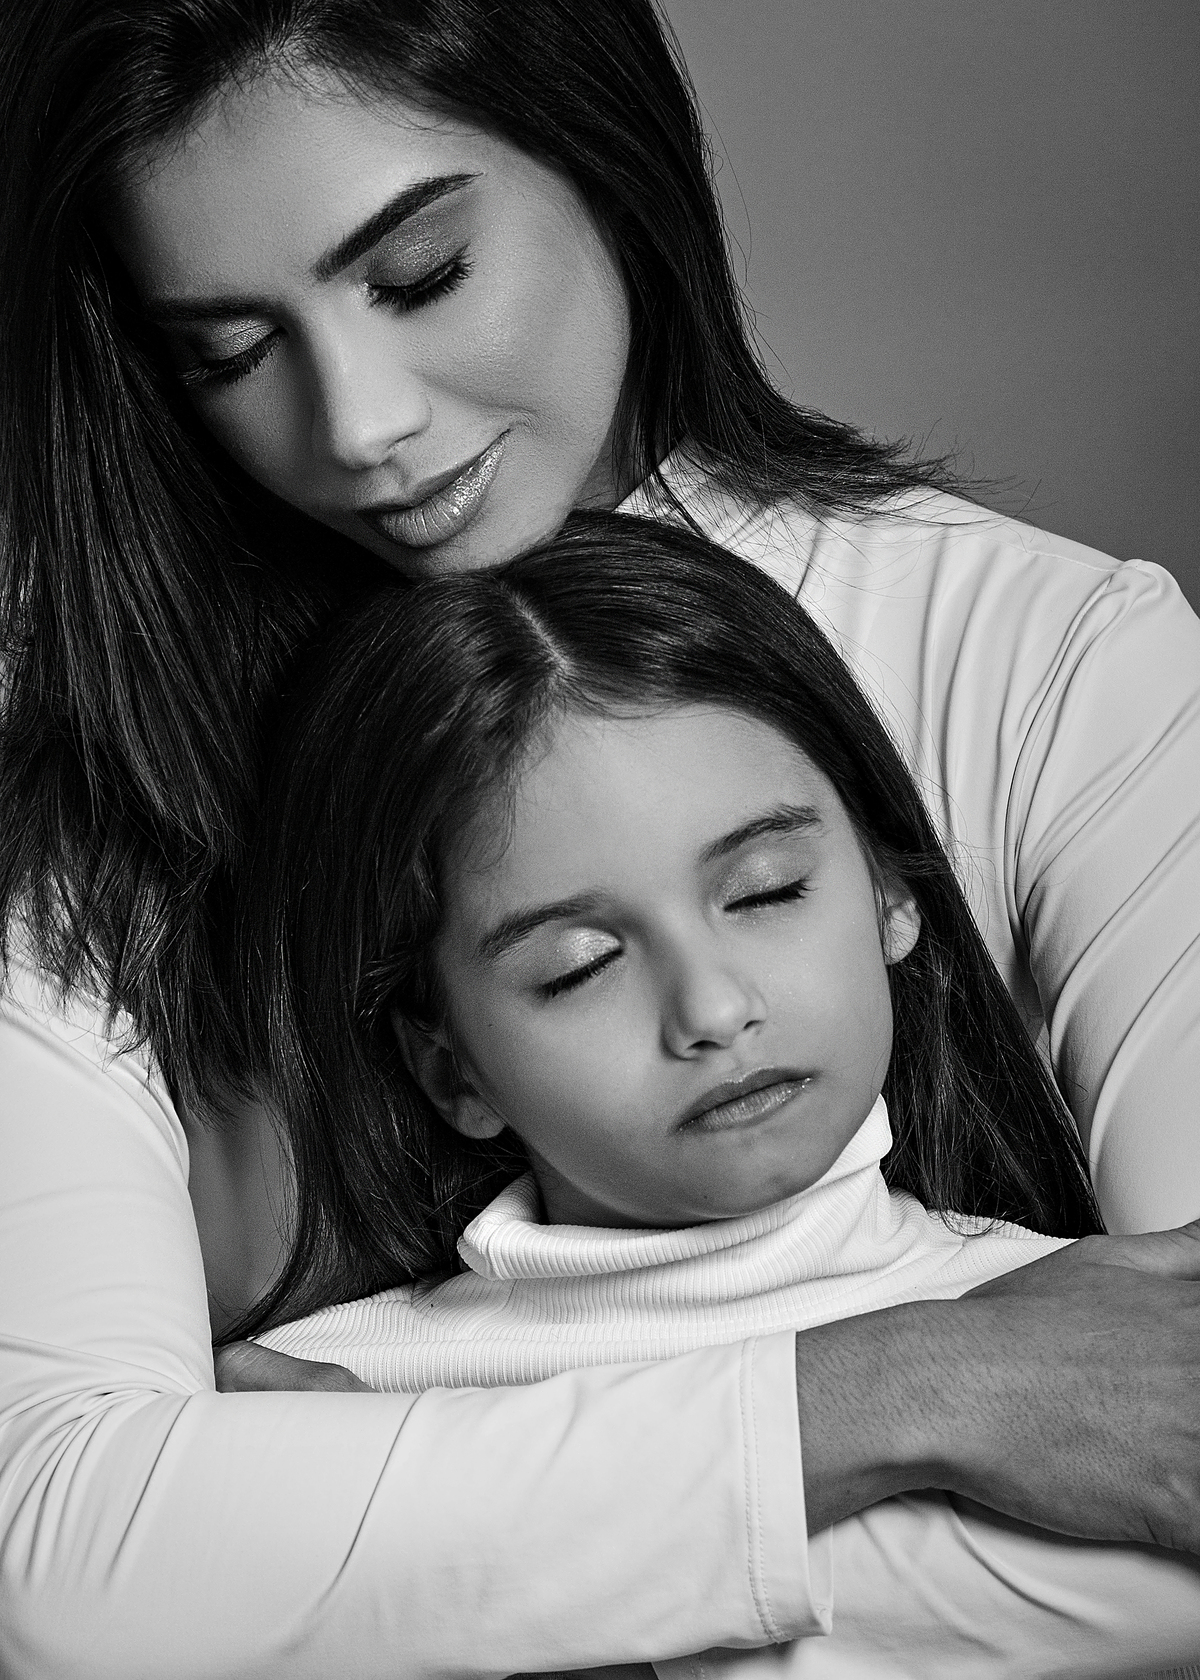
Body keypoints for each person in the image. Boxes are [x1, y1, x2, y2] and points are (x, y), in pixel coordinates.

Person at [1, 1, 1199, 1676]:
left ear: (604, 153)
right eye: (231, 352)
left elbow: (1176, 1431)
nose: (358, 423)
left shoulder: (1052, 662)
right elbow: (62, 1575)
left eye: (420, 274)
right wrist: (910, 1393)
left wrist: (367, 1549)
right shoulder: (94, 831)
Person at [242, 515, 1200, 1678]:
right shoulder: (283, 1427)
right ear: (454, 1068)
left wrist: (420, 1582)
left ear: (891, 892)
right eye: (579, 967)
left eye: (765, 891)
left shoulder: (1123, 1362)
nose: (710, 1007)